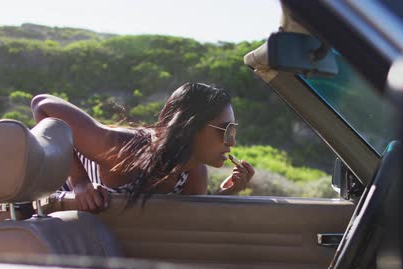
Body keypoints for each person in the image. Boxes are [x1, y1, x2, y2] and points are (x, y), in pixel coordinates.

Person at [31, 82, 255, 212]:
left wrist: (226, 194)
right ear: (192, 127)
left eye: (233, 131)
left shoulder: (193, 171)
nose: (232, 142)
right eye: (226, 131)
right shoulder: (124, 149)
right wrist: (80, 182)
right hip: (52, 212)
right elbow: (42, 105)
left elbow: (188, 223)